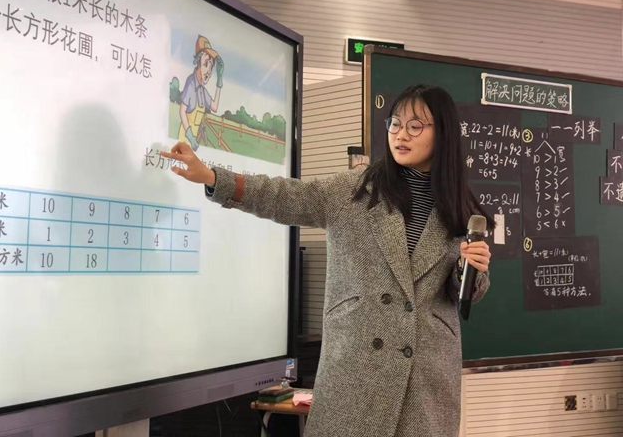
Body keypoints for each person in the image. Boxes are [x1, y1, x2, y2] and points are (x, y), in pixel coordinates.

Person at [160, 84, 493, 437]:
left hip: (424, 379)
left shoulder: (460, 208)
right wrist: (215, 178)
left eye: (415, 126)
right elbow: (285, 197)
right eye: (395, 123)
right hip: (357, 369)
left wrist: (471, 269)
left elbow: (466, 294)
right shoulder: (356, 191)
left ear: (443, 134)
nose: (401, 135)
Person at [178, 35, 225, 151]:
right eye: (205, 64)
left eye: (211, 66)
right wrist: (190, 136)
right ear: (198, 63)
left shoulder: (203, 91)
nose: (208, 71)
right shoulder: (191, 82)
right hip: (184, 140)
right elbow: (182, 111)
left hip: (193, 142)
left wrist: (219, 80)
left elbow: (214, 107)